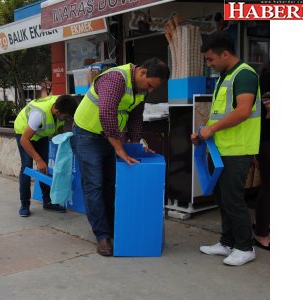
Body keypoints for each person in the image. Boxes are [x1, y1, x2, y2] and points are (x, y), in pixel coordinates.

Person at [70, 58, 170, 257]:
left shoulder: (139, 89)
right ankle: (102, 236)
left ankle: (113, 226)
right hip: (87, 134)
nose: (149, 91)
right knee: (95, 185)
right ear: (142, 72)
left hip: (108, 135)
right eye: (150, 85)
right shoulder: (115, 78)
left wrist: (135, 146)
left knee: (109, 184)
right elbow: (106, 112)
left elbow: (135, 117)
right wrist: (119, 148)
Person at [192, 32, 261, 266]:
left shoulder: (245, 75)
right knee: (222, 199)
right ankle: (227, 242)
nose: (209, 64)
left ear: (225, 54)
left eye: (211, 59)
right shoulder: (224, 76)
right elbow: (219, 114)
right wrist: (203, 133)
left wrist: (211, 131)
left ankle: (245, 247)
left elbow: (242, 111)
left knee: (233, 200)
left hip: (238, 149)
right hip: (220, 148)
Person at [13, 95, 78, 217]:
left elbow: (59, 128)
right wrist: (38, 160)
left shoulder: (62, 103)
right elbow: (24, 140)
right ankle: (25, 204)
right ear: (57, 112)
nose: (67, 119)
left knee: (44, 168)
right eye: (66, 117)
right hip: (24, 133)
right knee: (26, 167)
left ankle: (47, 201)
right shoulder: (39, 114)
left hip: (40, 135)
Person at [253, 62, 270, 250]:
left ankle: (262, 227)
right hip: (267, 141)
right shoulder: (267, 79)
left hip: (265, 140)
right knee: (269, 187)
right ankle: (261, 233)